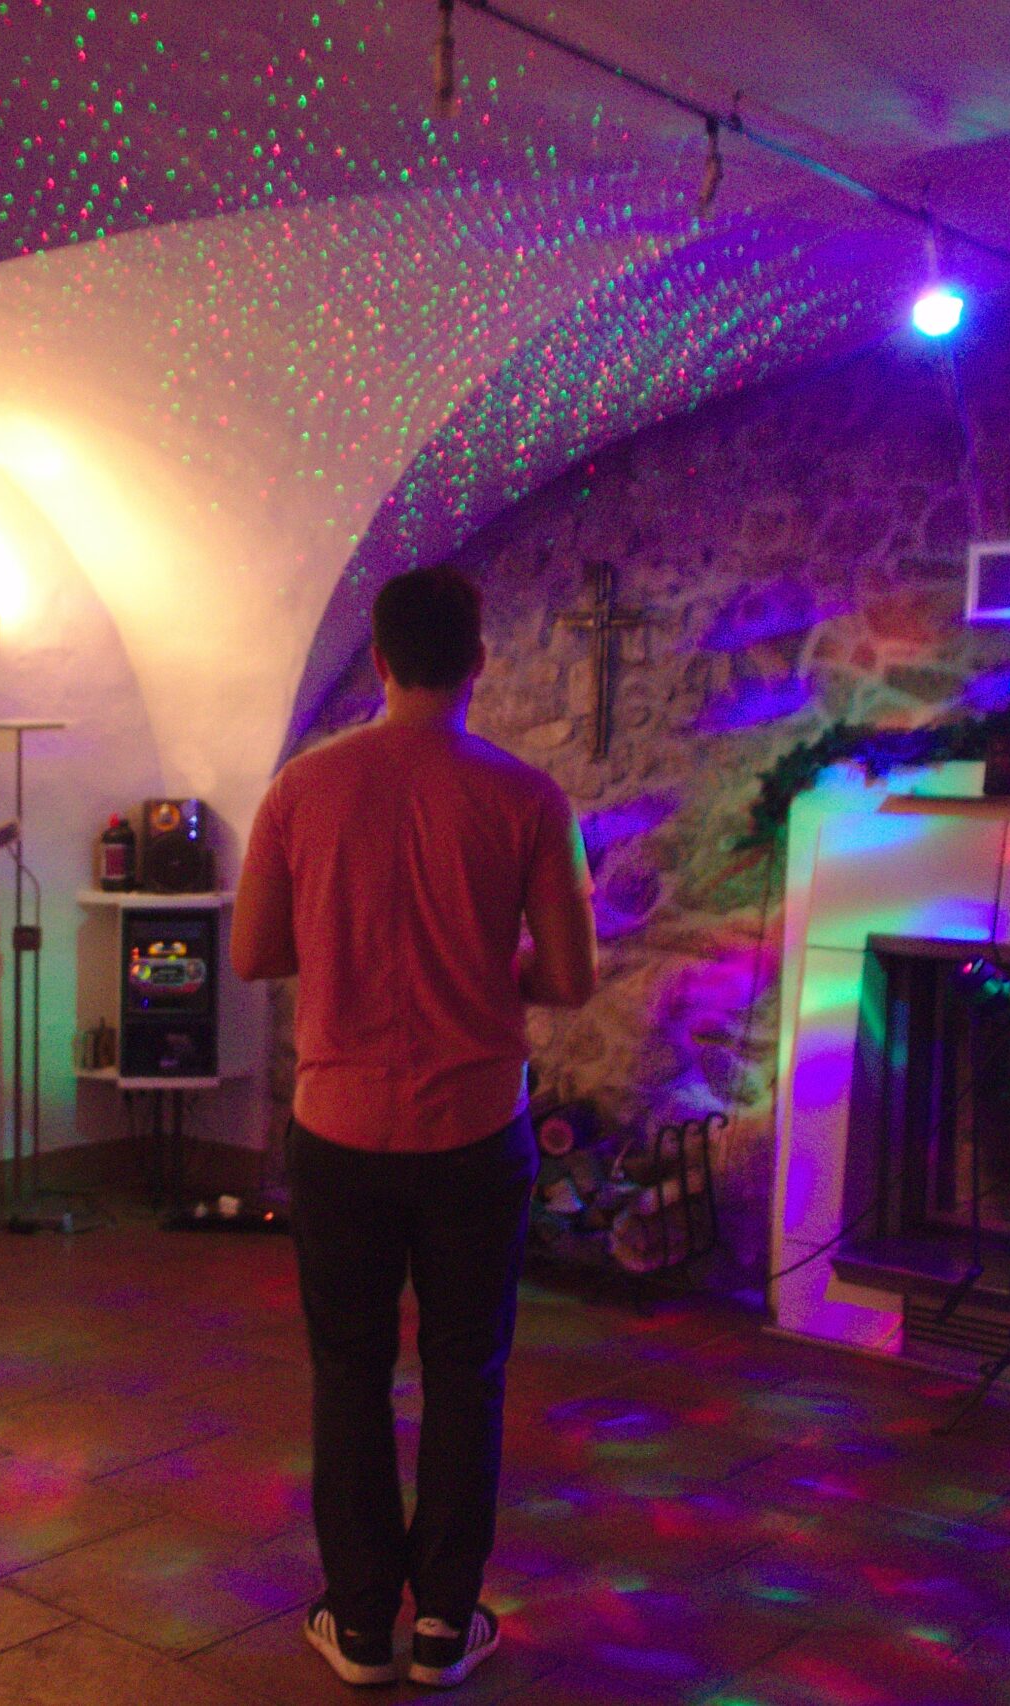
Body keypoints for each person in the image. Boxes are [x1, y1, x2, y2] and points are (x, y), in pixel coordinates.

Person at [231, 565, 597, 1689]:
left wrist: (346, 946)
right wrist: (486, 972)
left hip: (339, 1126)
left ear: (381, 660)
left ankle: (357, 1624)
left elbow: (253, 953)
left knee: (348, 1369)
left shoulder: (302, 787)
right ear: (479, 660)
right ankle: (443, 1621)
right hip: (474, 1128)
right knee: (465, 1369)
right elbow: (570, 977)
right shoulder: (528, 797)